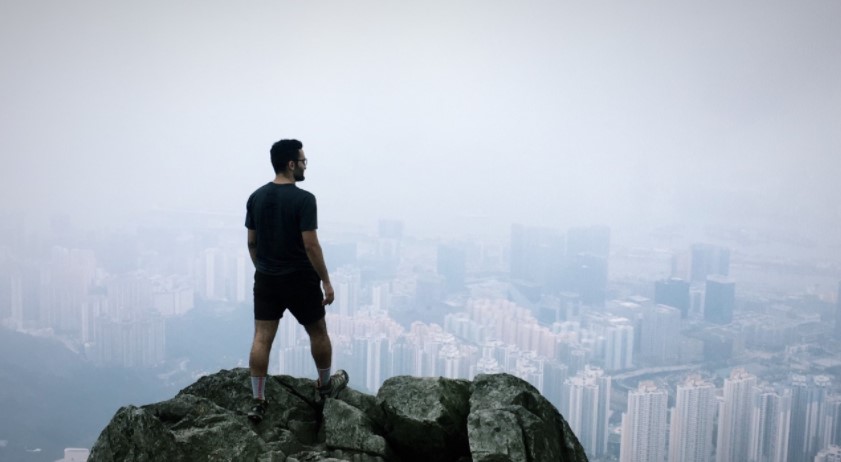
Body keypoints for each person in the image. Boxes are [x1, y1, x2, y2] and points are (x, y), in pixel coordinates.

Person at [244, 138, 348, 424]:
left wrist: (264, 268)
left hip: (266, 278)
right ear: (291, 164)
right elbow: (311, 245)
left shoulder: (256, 197)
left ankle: (257, 401)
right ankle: (326, 388)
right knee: (318, 332)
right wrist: (326, 281)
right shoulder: (304, 199)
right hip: (300, 279)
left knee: (262, 338)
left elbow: (252, 243)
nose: (305, 166)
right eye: (303, 161)